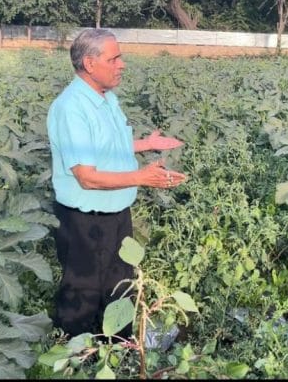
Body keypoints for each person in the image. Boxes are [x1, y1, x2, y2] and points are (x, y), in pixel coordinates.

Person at [47, 28, 187, 339]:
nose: (121, 64)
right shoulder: (72, 108)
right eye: (114, 58)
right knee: (82, 291)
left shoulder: (106, 98)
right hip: (85, 220)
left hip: (115, 212)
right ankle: (76, 356)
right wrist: (142, 177)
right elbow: (87, 176)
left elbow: (105, 147)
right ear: (90, 63)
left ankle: (121, 347)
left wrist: (143, 145)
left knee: (120, 283)